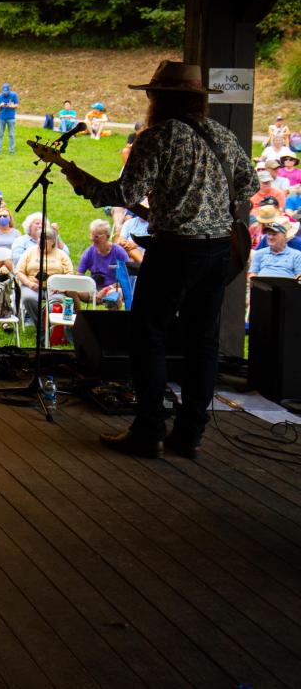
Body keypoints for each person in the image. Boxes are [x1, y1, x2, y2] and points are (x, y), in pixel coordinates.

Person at [56, 61, 257, 459]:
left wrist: (80, 180)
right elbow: (248, 184)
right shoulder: (221, 134)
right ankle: (190, 435)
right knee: (203, 342)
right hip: (219, 250)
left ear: (158, 99)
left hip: (176, 249)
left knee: (148, 336)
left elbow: (126, 193)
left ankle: (148, 430)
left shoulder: (158, 136)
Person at [78, 219, 131, 307]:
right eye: (91, 235)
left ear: (107, 236)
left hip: (113, 289)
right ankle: (78, 318)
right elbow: (79, 275)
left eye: (96, 236)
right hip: (93, 289)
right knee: (71, 291)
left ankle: (112, 320)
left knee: (114, 296)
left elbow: (126, 279)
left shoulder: (119, 252)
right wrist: (88, 287)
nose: (92, 239)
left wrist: (107, 289)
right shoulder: (89, 252)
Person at [0, 82, 19, 154]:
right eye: (4, 92)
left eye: (7, 92)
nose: (5, 93)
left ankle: (12, 150)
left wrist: (10, 106)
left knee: (11, 134)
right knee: (0, 134)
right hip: (1, 118)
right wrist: (0, 106)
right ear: (2, 91)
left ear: (9, 90)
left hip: (11, 118)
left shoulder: (13, 95)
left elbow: (16, 105)